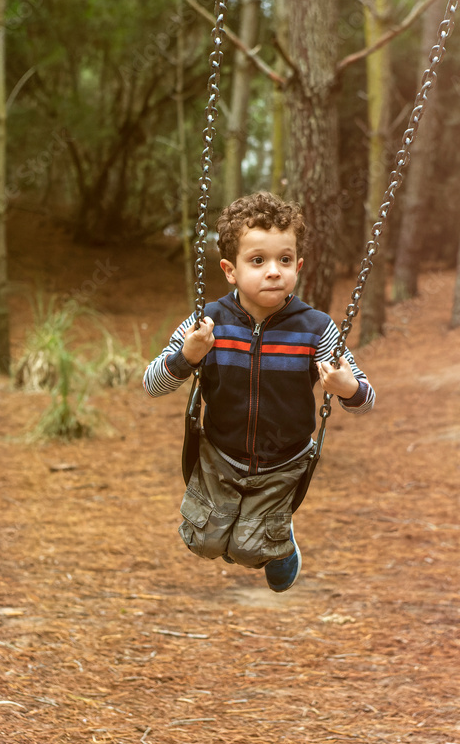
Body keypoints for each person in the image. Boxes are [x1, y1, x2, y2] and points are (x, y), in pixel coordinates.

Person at [143, 192, 375, 593]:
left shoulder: (315, 328)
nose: (273, 272)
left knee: (250, 550)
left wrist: (346, 387)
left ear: (298, 266)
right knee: (203, 541)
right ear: (230, 271)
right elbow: (152, 383)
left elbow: (366, 398)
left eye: (284, 260)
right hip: (220, 453)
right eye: (258, 261)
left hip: (283, 462)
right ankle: (258, 533)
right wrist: (188, 357)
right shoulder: (208, 322)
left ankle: (279, 547)